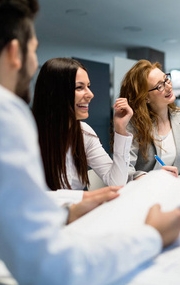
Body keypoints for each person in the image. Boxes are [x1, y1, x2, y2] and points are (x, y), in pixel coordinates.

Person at [0, 0, 180, 284]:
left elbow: (4, 213)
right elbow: (52, 269)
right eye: (34, 48)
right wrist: (152, 236)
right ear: (15, 52)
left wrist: (68, 209)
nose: (89, 95)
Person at [32, 57, 133, 191]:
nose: (90, 94)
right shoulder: (27, 134)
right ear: (56, 92)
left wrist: (120, 129)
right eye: (79, 87)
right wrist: (85, 197)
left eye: (88, 86)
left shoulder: (83, 132)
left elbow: (117, 183)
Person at [119, 59, 180, 187]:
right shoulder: (133, 125)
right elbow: (124, 172)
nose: (169, 86)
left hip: (174, 191)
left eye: (166, 79)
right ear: (145, 97)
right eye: (160, 86)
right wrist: (154, 177)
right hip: (145, 193)